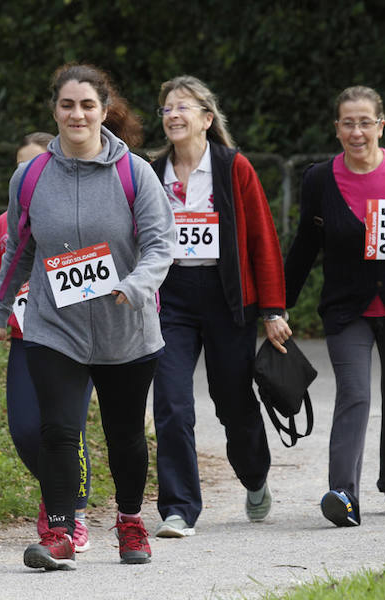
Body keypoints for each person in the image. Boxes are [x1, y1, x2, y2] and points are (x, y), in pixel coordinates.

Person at [0, 63, 174, 570]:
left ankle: (130, 522)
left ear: (104, 110)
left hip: (125, 328)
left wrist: (136, 285)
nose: (77, 114)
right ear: (55, 110)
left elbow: (160, 244)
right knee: (59, 430)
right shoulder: (32, 175)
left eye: (87, 105)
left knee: (125, 433)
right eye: (67, 105)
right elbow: (18, 248)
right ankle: (61, 532)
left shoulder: (135, 172)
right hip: (54, 324)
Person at [285, 86, 385, 527]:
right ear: (336, 128)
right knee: (354, 393)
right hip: (347, 308)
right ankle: (342, 494)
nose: (357, 131)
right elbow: (304, 247)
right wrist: (277, 306)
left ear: (380, 125)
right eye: (348, 123)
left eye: (365, 122)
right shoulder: (319, 179)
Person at [148, 75, 290, 538]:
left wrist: (272, 310)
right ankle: (179, 509)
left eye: (183, 107)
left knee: (233, 401)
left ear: (207, 119)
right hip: (171, 298)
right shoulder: (151, 171)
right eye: (167, 108)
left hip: (228, 297)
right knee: (171, 401)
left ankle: (254, 476)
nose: (173, 115)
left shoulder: (233, 168)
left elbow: (262, 241)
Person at [0, 131, 95, 552]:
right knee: (27, 428)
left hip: (77, 339)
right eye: (20, 168)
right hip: (27, 339)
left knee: (67, 428)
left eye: (36, 165)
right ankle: (56, 490)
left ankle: (72, 514)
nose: (28, 174)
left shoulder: (77, 214)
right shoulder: (5, 226)